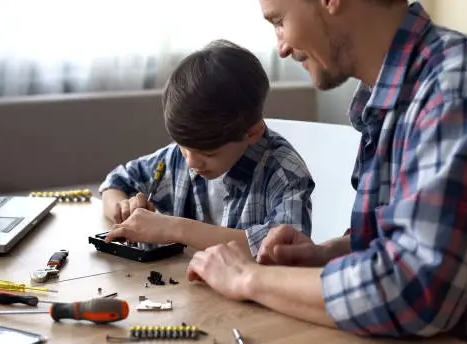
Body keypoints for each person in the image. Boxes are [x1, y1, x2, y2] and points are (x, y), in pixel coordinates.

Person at [186, 1, 467, 343]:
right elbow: (403, 241)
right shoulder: (394, 95)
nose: (282, 47)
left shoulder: (461, 89)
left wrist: (247, 277)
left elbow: (414, 291)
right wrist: (328, 253)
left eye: (279, 21)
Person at [99, 39, 314, 257]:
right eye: (184, 147)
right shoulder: (179, 158)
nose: (192, 163)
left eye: (209, 153)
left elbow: (285, 249)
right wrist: (124, 208)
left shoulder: (285, 173)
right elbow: (116, 182)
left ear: (252, 133)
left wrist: (173, 228)